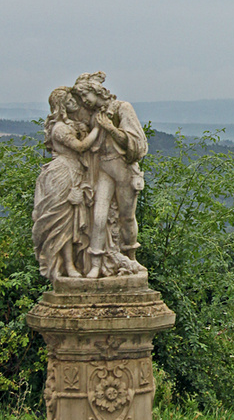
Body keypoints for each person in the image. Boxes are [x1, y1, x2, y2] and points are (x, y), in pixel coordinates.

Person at [71, 72, 148, 279]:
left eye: (85, 95)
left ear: (96, 91)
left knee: (127, 217)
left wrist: (110, 129)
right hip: (104, 169)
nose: (84, 100)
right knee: (98, 215)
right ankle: (96, 263)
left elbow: (137, 144)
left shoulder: (122, 108)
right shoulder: (91, 114)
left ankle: (130, 258)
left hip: (123, 170)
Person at [32, 88, 100, 281]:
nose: (73, 103)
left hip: (75, 174)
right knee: (60, 222)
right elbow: (80, 147)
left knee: (70, 224)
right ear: (61, 106)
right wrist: (98, 128)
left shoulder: (72, 124)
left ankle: (71, 265)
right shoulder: (60, 128)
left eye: (73, 99)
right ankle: (66, 266)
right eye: (69, 100)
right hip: (61, 175)